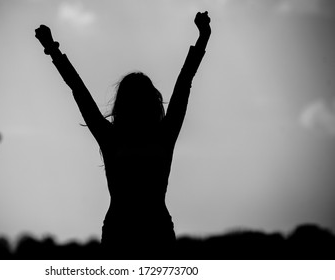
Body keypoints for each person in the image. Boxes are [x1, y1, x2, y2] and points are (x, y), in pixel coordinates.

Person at [35, 11, 211, 258]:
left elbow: (184, 82)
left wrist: (52, 49)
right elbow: (185, 81)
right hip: (132, 233)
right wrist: (203, 37)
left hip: (144, 233)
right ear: (154, 103)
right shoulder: (154, 135)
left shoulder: (123, 137)